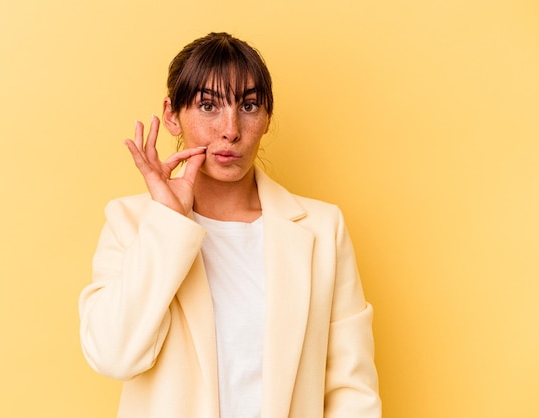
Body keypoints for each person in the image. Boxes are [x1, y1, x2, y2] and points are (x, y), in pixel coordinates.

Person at [79, 32, 381, 418]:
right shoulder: (130, 223)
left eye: (249, 105)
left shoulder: (323, 230)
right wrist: (169, 224)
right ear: (172, 115)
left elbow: (352, 390)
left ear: (267, 117)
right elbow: (113, 356)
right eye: (208, 106)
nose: (231, 129)